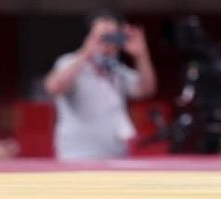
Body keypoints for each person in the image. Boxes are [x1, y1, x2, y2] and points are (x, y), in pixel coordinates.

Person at [43, 10, 157, 161]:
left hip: (116, 156)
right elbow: (53, 87)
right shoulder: (70, 62)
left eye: (113, 36)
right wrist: (85, 53)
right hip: (77, 158)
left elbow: (147, 88)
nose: (108, 43)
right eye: (103, 36)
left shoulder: (117, 71)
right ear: (89, 36)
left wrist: (141, 54)